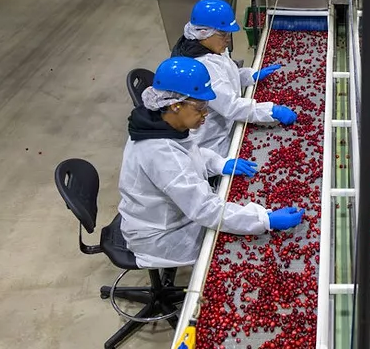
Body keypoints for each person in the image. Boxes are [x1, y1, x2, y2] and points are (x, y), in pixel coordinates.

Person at [118, 56, 305, 269]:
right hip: (162, 235)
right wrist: (264, 219)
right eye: (199, 108)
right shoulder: (160, 153)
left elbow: (190, 152)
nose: (206, 113)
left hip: (172, 212)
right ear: (176, 105)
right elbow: (205, 209)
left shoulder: (161, 123)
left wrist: (218, 163)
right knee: (233, 252)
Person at [171, 0, 299, 158]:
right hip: (212, 141)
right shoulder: (201, 65)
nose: (228, 40)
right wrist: (271, 110)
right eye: (223, 34)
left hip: (225, 123)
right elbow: (231, 106)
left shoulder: (206, 46)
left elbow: (225, 75)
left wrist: (248, 76)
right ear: (204, 32)